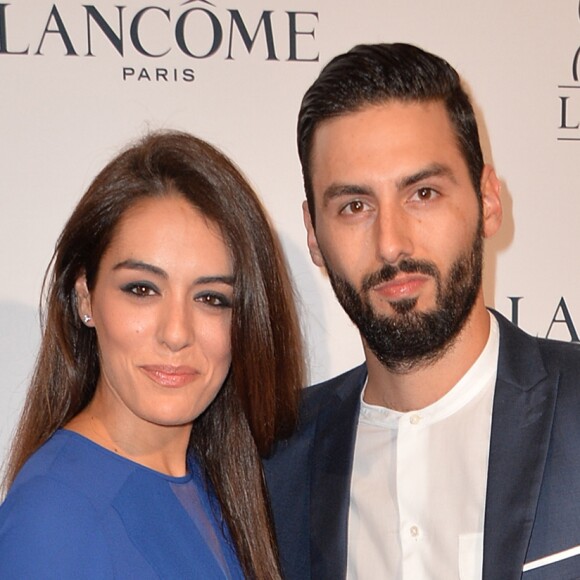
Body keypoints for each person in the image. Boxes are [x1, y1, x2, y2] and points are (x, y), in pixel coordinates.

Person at [263, 43, 580, 580]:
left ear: (488, 201)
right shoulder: (273, 463)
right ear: (314, 235)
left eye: (424, 192)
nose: (392, 243)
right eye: (354, 206)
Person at [0, 130, 303, 578]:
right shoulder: (54, 514)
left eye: (212, 298)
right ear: (85, 298)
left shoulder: (220, 485)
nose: (176, 333)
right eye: (142, 290)